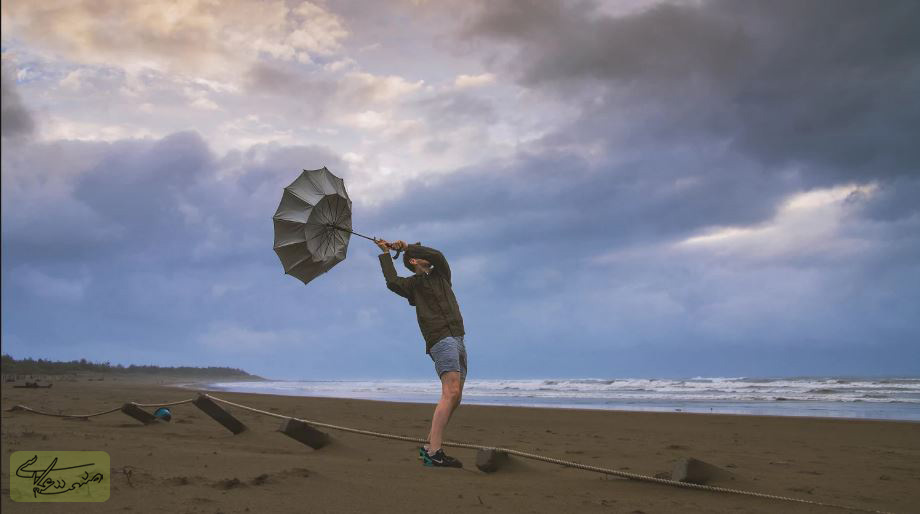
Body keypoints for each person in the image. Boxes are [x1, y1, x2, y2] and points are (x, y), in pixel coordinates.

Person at [375, 238, 467, 468]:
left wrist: (405, 247)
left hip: (458, 336)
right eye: (418, 251)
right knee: (451, 390)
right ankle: (435, 452)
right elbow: (392, 281)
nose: (425, 253)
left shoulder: (441, 274)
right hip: (439, 337)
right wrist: (387, 254)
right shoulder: (412, 286)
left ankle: (429, 446)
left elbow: (437, 254)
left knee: (456, 396)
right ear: (414, 261)